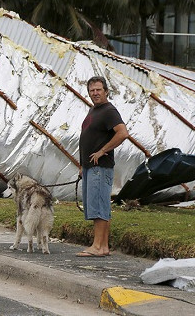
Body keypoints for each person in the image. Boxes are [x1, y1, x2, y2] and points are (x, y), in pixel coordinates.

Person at [77, 76, 129, 257]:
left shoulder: (109, 111)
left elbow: (122, 133)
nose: (95, 93)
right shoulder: (94, 110)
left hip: (100, 167)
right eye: (92, 90)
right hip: (90, 167)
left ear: (106, 91)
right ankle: (104, 247)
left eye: (99, 89)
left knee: (98, 206)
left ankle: (97, 246)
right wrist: (83, 165)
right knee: (100, 206)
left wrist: (102, 151)